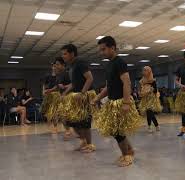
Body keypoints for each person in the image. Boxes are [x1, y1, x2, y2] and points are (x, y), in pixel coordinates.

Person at [93, 36, 141, 167]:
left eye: (104, 49)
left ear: (112, 48)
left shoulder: (119, 62)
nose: (102, 52)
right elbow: (109, 86)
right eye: (100, 50)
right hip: (112, 102)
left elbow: (127, 82)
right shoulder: (109, 64)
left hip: (121, 102)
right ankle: (128, 152)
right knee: (116, 131)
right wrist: (97, 98)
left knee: (118, 132)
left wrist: (126, 102)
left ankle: (127, 155)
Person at [61, 44, 95, 153]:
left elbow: (89, 78)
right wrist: (65, 93)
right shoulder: (71, 66)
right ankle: (84, 142)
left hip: (85, 95)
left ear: (72, 53)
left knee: (85, 121)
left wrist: (82, 93)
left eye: (65, 54)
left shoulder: (80, 62)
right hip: (77, 96)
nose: (63, 56)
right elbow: (73, 83)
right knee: (73, 121)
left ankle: (90, 144)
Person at [138, 66, 162, 133]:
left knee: (149, 112)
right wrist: (140, 92)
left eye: (146, 70)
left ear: (149, 71)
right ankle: (156, 125)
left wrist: (151, 90)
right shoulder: (142, 80)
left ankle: (149, 126)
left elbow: (155, 91)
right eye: (144, 70)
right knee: (149, 112)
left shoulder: (153, 80)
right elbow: (140, 89)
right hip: (145, 98)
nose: (144, 72)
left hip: (151, 99)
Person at [54, 57, 73, 140]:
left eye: (58, 65)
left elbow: (74, 84)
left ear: (63, 65)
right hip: (63, 97)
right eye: (55, 65)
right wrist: (49, 90)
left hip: (70, 97)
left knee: (67, 116)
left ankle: (71, 131)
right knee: (62, 115)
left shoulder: (68, 73)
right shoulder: (59, 75)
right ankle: (68, 131)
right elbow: (58, 86)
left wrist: (65, 88)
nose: (56, 67)